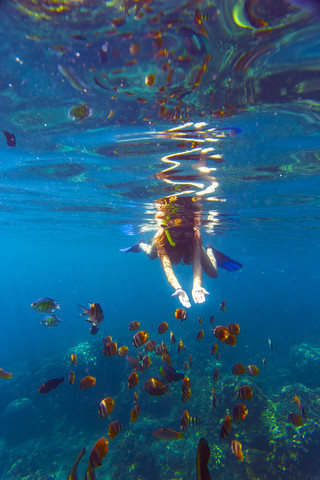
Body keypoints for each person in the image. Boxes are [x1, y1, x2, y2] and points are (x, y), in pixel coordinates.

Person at [121, 196, 242, 308]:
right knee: (151, 255)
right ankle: (141, 243)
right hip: (163, 245)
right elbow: (167, 267)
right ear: (169, 229)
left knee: (213, 274)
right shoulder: (161, 237)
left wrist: (196, 287)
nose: (182, 236)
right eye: (177, 231)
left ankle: (210, 249)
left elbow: (197, 264)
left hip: (191, 247)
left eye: (187, 231)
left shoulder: (195, 235)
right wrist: (178, 288)